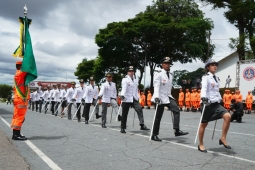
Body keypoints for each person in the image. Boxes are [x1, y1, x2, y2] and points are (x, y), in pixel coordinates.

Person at [151, 57, 188, 141]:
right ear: (162, 64)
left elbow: (168, 88)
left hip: (167, 96)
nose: (168, 65)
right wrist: (156, 97)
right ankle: (154, 135)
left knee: (176, 110)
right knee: (158, 116)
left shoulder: (170, 75)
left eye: (169, 64)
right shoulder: (158, 74)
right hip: (159, 97)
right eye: (166, 63)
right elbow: (156, 86)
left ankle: (177, 130)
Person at [199, 58, 231, 153]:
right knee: (204, 125)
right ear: (208, 67)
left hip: (216, 104)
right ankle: (200, 144)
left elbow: (216, 91)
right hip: (207, 104)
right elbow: (204, 89)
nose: (215, 66)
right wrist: (203, 97)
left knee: (228, 116)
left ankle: (223, 138)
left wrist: (220, 99)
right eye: (212, 65)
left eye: (216, 65)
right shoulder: (206, 78)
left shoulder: (216, 78)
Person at [119, 66, 150, 133]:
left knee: (139, 109)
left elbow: (136, 90)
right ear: (127, 72)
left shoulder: (135, 80)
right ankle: (122, 127)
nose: (131, 72)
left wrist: (138, 97)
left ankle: (142, 125)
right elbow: (124, 88)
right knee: (125, 113)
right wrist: (122, 95)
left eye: (132, 71)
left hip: (134, 98)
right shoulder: (125, 79)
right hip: (126, 98)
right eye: (130, 71)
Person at [11, 61, 30, 140]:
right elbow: (28, 69)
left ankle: (16, 133)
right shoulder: (20, 73)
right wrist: (27, 59)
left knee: (17, 117)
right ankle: (16, 135)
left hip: (19, 99)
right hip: (20, 100)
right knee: (19, 117)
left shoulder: (18, 74)